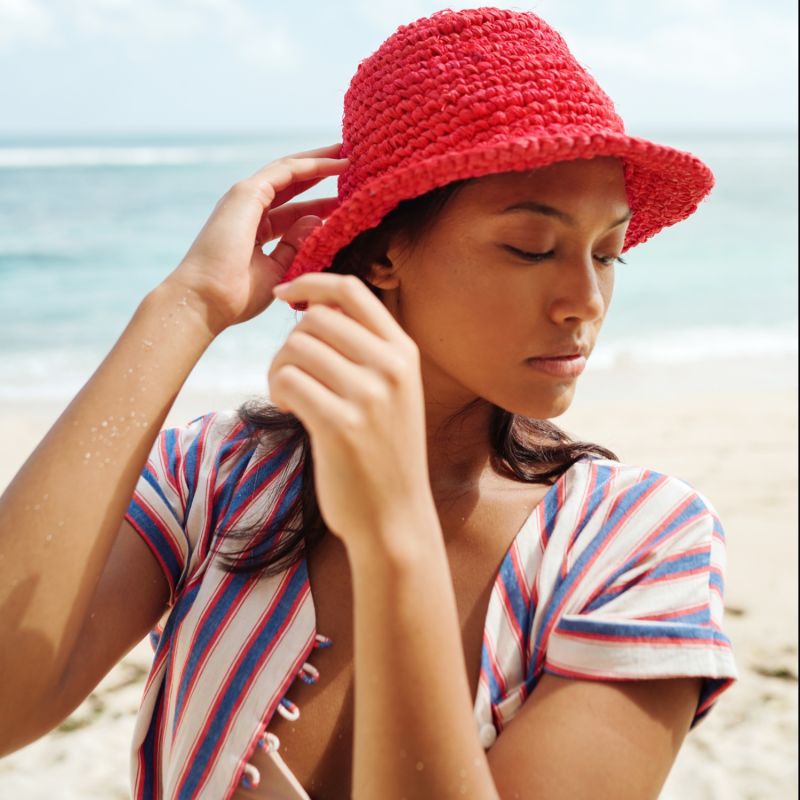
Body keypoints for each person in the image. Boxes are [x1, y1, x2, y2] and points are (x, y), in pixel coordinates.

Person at [0, 7, 738, 799]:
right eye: (531, 247)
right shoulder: (214, 480)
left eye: (607, 251)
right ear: (385, 250)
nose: (585, 300)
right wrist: (188, 305)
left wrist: (396, 536)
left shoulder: (639, 545)